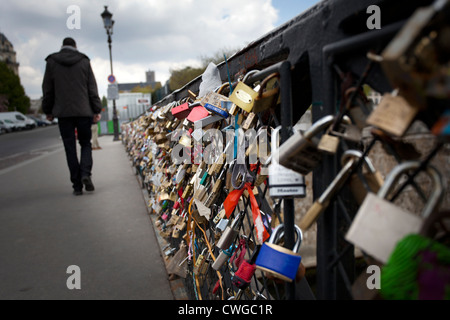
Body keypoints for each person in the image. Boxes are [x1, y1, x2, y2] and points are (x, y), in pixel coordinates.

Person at [42, 37, 102, 196]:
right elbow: (92, 88)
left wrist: (47, 110)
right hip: (83, 111)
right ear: (75, 46)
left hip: (63, 113)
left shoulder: (52, 62)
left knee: (69, 148)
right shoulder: (83, 61)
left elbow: (47, 89)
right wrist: (96, 109)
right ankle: (85, 174)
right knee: (85, 144)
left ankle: (76, 186)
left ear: (62, 46)